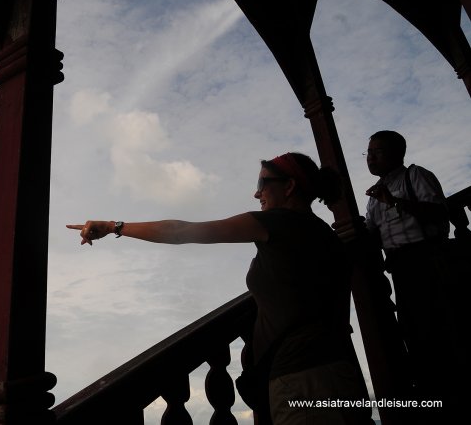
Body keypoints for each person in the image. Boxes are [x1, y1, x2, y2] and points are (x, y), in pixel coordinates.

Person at [69, 152, 372, 425]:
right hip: (340, 372)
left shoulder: (279, 223)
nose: (257, 193)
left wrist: (113, 226)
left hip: (304, 380)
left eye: (263, 183)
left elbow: (180, 231)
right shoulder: (325, 235)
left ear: (289, 186)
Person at [364, 130, 462, 411]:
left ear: (397, 153)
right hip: (400, 268)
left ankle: (452, 393)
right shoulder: (374, 196)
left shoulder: (414, 175)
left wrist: (395, 201)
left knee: (441, 327)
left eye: (377, 152)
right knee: (414, 331)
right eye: (368, 153)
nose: (370, 158)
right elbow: (372, 233)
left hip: (428, 260)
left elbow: (439, 212)